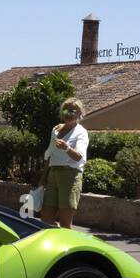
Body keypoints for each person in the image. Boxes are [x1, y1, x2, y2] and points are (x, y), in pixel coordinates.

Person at [39, 98, 89, 229]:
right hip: (53, 174)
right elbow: (50, 155)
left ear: (80, 113)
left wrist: (67, 148)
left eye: (73, 110)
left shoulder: (81, 132)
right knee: (46, 217)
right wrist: (43, 178)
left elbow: (79, 157)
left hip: (70, 176)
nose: (68, 113)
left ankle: (67, 247)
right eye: (65, 110)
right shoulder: (56, 130)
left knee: (65, 222)